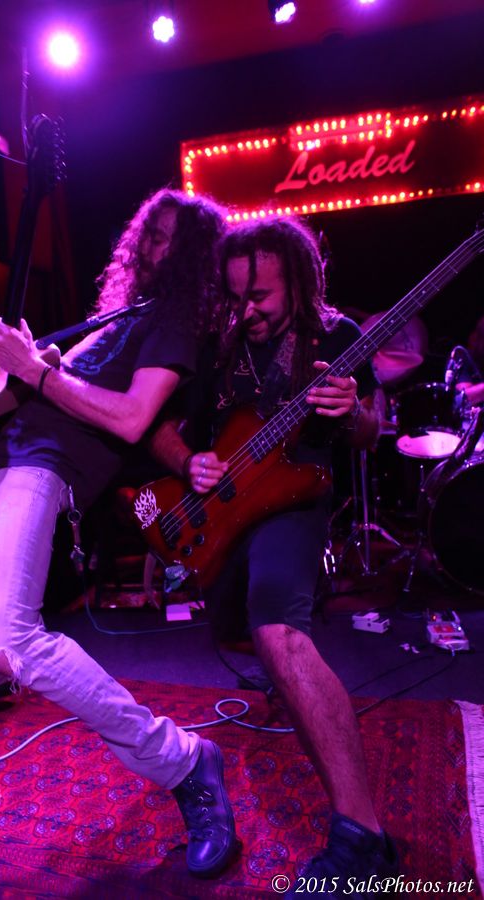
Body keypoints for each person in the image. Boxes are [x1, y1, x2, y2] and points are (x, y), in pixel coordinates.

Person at [0, 188, 240, 879]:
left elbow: (131, 418)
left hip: (45, 468)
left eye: (166, 240)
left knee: (13, 633)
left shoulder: (175, 322)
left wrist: (34, 369)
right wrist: (26, 365)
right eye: (148, 235)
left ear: (191, 255)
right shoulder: (126, 313)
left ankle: (184, 760)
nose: (150, 249)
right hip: (1, 453)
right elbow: (53, 381)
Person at [148, 216, 399, 897]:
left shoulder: (336, 338)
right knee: (244, 632)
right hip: (228, 512)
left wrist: (350, 412)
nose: (246, 311)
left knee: (279, 632)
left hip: (294, 500)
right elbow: (162, 429)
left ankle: (362, 840)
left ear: (298, 279)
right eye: (235, 297)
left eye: (259, 296)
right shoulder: (222, 342)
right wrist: (189, 460)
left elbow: (371, 431)